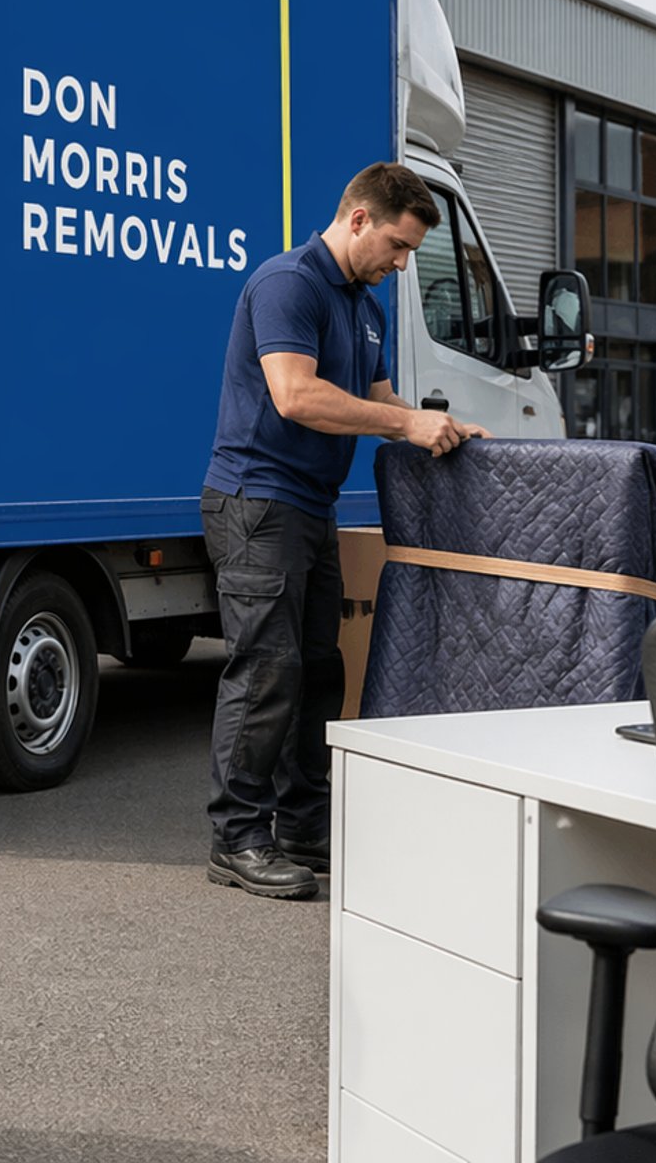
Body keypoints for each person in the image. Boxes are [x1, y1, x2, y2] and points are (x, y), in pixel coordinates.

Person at [201, 162, 489, 901]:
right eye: (396, 245)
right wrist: (405, 420)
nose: (400, 265)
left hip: (311, 506)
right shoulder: (288, 284)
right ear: (358, 218)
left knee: (320, 670)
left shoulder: (366, 307)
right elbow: (295, 396)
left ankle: (301, 826)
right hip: (256, 503)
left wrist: (447, 432)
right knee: (267, 671)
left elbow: (386, 405)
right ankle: (237, 837)